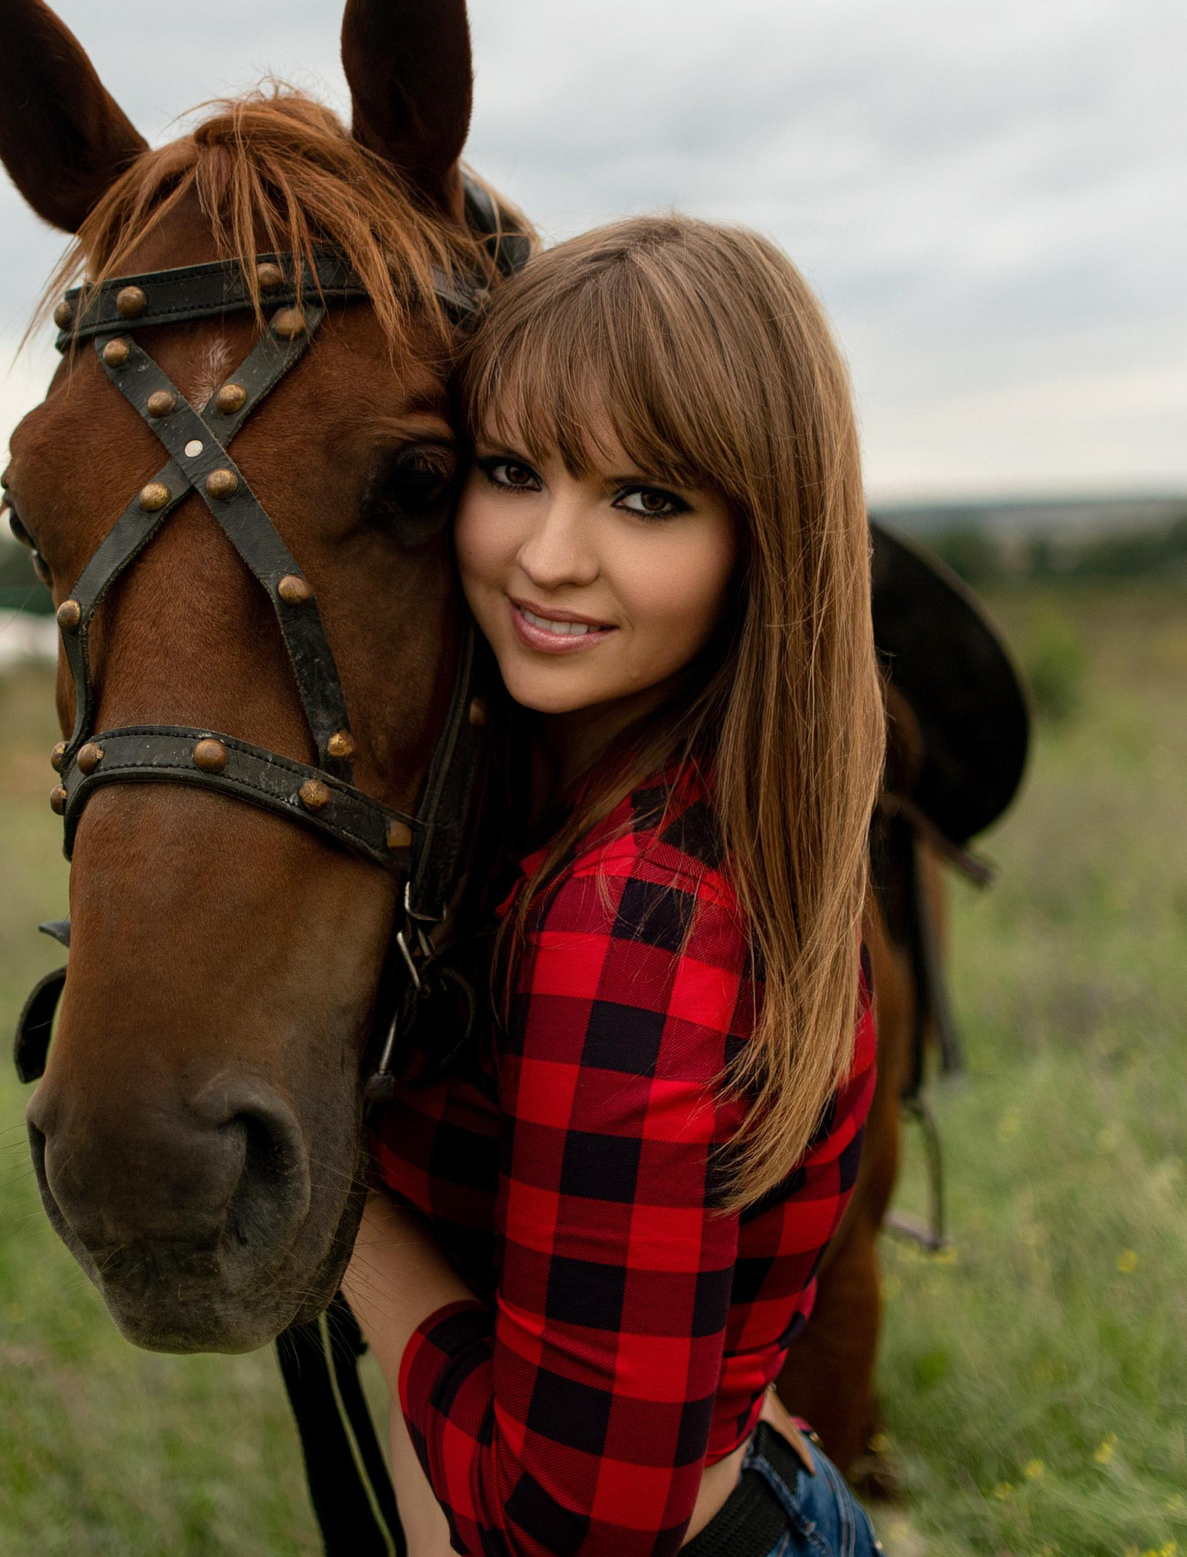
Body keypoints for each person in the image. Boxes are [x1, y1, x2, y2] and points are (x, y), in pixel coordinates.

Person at [344, 214, 887, 1557]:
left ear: (763, 537)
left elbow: (570, 1533)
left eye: (646, 499)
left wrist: (342, 1208)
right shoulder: (661, 795)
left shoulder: (633, 918)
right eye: (513, 470)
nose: (548, 555)